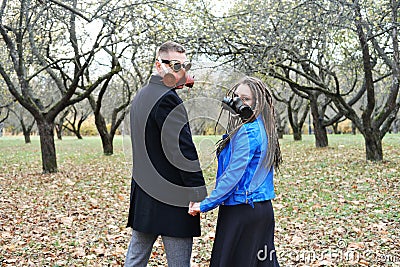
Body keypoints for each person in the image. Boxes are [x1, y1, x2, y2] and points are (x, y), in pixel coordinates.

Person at [125, 41, 207, 267]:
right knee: (179, 263)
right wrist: (197, 191)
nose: (180, 71)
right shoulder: (167, 98)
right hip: (172, 195)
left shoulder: (142, 95)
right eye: (174, 65)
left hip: (145, 194)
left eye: (183, 65)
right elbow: (181, 149)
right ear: (159, 65)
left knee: (135, 260)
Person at [189, 76, 282, 267]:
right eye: (236, 97)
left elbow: (234, 175)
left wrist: (205, 204)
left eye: (246, 99)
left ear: (258, 103)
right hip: (260, 209)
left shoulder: (249, 131)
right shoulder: (262, 127)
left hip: (242, 211)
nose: (239, 102)